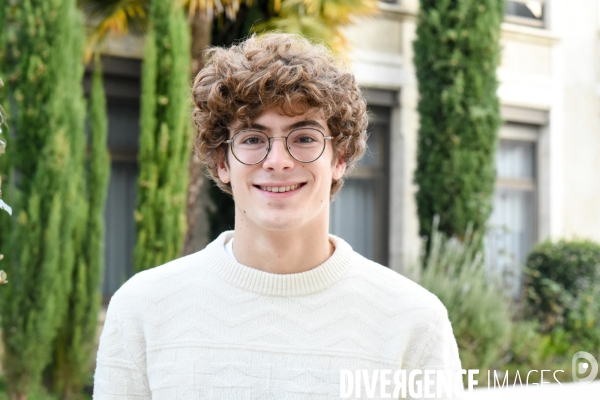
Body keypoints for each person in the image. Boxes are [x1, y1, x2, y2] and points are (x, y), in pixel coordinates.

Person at [93, 33, 463, 399]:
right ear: (223, 162)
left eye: (303, 137)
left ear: (340, 158)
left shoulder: (413, 321)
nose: (278, 161)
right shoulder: (143, 309)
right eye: (253, 139)